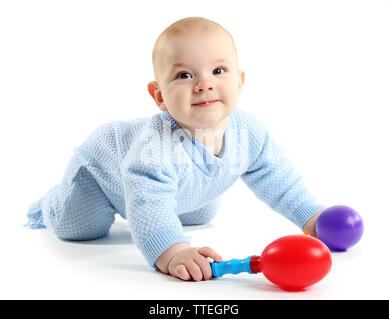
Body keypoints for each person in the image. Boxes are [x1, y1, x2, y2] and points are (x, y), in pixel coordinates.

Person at [25, 17, 326, 282]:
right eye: (185, 75)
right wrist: (173, 251)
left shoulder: (249, 131)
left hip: (185, 189)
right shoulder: (153, 148)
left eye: (219, 70)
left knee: (202, 212)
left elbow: (280, 179)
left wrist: (313, 218)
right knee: (80, 227)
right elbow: (149, 203)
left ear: (240, 80)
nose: (204, 84)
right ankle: (51, 203)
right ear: (159, 95)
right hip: (103, 172)